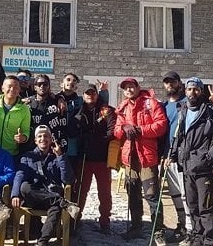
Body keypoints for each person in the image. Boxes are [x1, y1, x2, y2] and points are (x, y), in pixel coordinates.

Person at [169, 77, 213, 246]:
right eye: (190, 89)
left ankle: (209, 240)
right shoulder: (183, 110)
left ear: (201, 91)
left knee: (205, 207)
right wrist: (173, 155)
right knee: (192, 206)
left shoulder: (210, 111)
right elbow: (178, 136)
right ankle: (197, 238)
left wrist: (209, 156)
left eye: (196, 89)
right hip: (187, 166)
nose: (193, 92)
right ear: (185, 91)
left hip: (204, 168)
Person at [114, 77, 168, 244]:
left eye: (132, 87)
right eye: (126, 88)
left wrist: (140, 130)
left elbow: (161, 125)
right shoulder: (123, 107)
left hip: (147, 157)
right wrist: (124, 128)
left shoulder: (151, 103)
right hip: (130, 158)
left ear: (138, 88)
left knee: (152, 195)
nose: (129, 90)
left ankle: (158, 230)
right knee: (133, 194)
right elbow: (116, 132)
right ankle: (136, 227)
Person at [11, 125, 81, 246]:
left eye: (46, 136)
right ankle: (62, 202)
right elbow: (19, 175)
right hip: (34, 197)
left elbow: (68, 180)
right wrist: (15, 194)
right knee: (24, 187)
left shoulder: (57, 156)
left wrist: (60, 157)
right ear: (35, 140)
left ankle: (42, 241)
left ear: (50, 139)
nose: (43, 139)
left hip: (51, 194)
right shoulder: (27, 156)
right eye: (40, 136)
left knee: (55, 209)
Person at [75, 83, 115, 234]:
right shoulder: (79, 109)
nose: (90, 96)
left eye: (93, 93)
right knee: (81, 190)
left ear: (97, 95)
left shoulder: (106, 110)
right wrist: (82, 138)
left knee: (104, 192)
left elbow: (112, 130)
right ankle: (76, 218)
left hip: (102, 158)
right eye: (87, 93)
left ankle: (105, 221)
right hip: (84, 157)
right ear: (83, 95)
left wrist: (98, 140)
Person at [159, 71, 193, 242]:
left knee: (186, 194)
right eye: (167, 82)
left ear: (180, 83)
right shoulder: (164, 106)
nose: (170, 85)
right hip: (167, 157)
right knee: (175, 194)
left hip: (184, 157)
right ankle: (181, 225)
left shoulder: (188, 103)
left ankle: (191, 229)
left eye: (173, 81)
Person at [0, 76, 32, 158]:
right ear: (2, 88)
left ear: (19, 90)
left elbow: (26, 131)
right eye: (9, 86)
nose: (12, 89)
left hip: (10, 154)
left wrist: (23, 138)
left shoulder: (24, 109)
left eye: (16, 87)